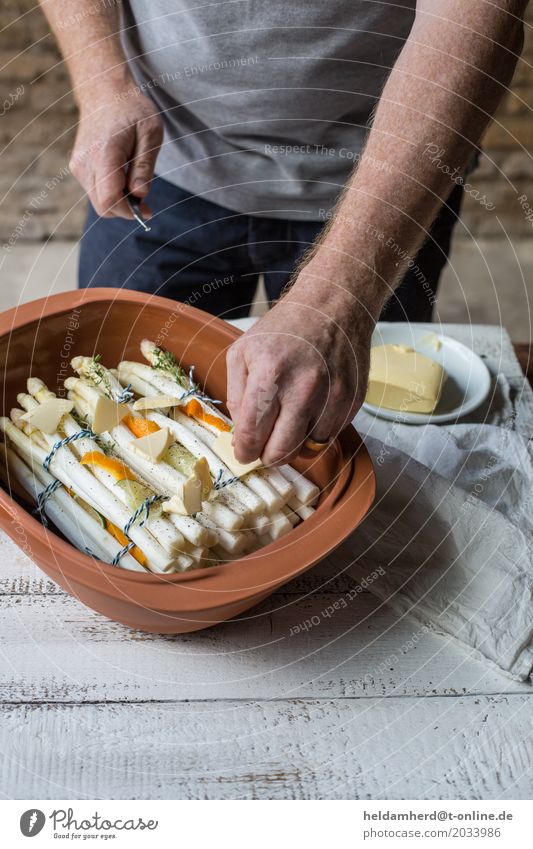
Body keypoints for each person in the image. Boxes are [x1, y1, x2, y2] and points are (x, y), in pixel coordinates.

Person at [39, 1, 526, 465]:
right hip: (163, 164)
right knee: (105, 404)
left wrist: (336, 301)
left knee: (363, 443)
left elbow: (480, 13)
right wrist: (102, 84)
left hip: (381, 189)